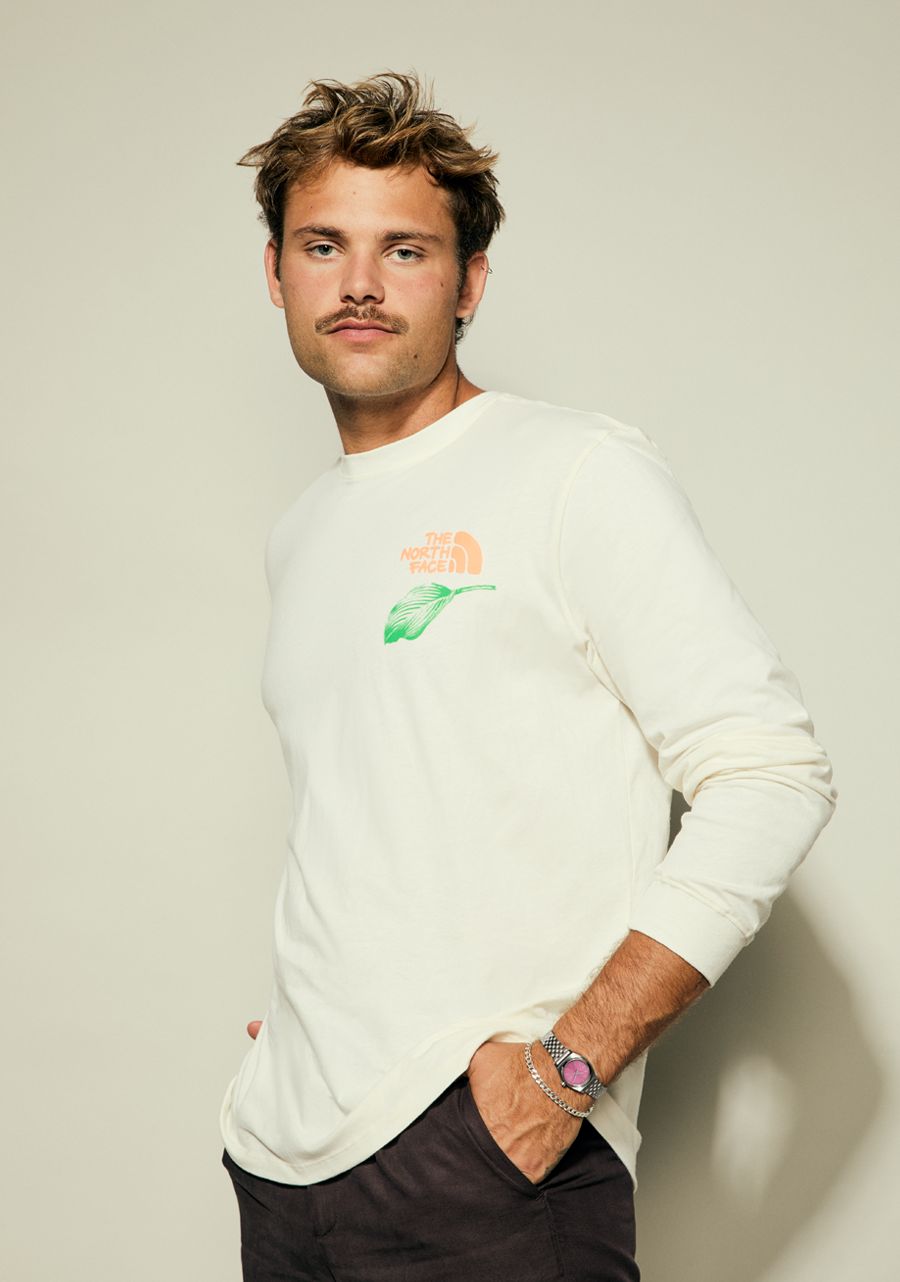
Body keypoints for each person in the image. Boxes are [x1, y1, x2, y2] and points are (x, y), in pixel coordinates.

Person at [220, 73, 835, 1281]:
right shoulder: (300, 534)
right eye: (323, 245)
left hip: (485, 1162)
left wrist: (567, 1070)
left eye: (405, 249)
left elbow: (772, 773)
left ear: (470, 283)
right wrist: (305, 1042)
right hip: (283, 1165)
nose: (358, 282)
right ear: (277, 273)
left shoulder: (575, 471)